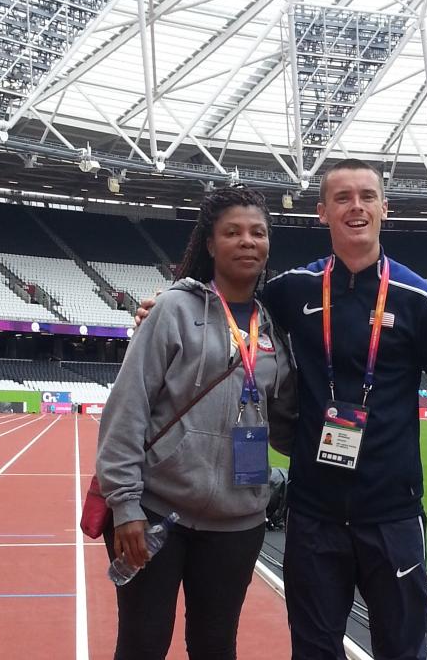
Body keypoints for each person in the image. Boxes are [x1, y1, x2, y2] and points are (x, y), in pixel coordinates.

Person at [137, 159, 427, 659]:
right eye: (343, 198)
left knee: (401, 648)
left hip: (392, 513)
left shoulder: (417, 296)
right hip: (313, 513)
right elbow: (222, 304)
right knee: (314, 650)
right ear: (322, 212)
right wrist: (165, 303)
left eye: (367, 196)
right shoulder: (291, 290)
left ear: (385, 208)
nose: (356, 207)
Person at [96, 186, 297, 660]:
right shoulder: (173, 309)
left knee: (214, 645)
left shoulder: (274, 329)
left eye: (257, 233)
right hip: (156, 511)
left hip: (237, 521)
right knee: (143, 644)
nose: (247, 241)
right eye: (232, 232)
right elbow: (127, 408)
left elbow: (288, 422)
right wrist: (125, 507)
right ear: (210, 243)